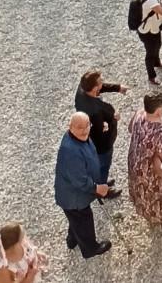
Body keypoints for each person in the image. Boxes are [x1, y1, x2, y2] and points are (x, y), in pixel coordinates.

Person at [53, 113, 112, 259]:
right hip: (74, 198)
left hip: (72, 195)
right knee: (83, 220)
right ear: (70, 127)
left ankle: (72, 240)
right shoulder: (70, 151)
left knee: (75, 219)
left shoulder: (77, 137)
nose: (85, 130)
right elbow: (79, 180)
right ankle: (90, 249)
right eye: (80, 127)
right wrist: (97, 188)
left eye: (87, 126)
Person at [127, 92, 162, 225]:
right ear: (158, 111)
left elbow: (130, 128)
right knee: (157, 194)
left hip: (135, 163)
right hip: (151, 172)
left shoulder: (139, 115)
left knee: (144, 193)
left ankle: (147, 213)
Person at [74, 70, 129, 194]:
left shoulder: (82, 89)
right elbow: (105, 125)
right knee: (103, 166)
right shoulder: (96, 109)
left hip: (88, 142)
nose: (102, 83)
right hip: (101, 146)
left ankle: (98, 182)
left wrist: (117, 88)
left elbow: (99, 88)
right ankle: (102, 190)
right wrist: (114, 118)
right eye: (100, 82)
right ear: (94, 88)